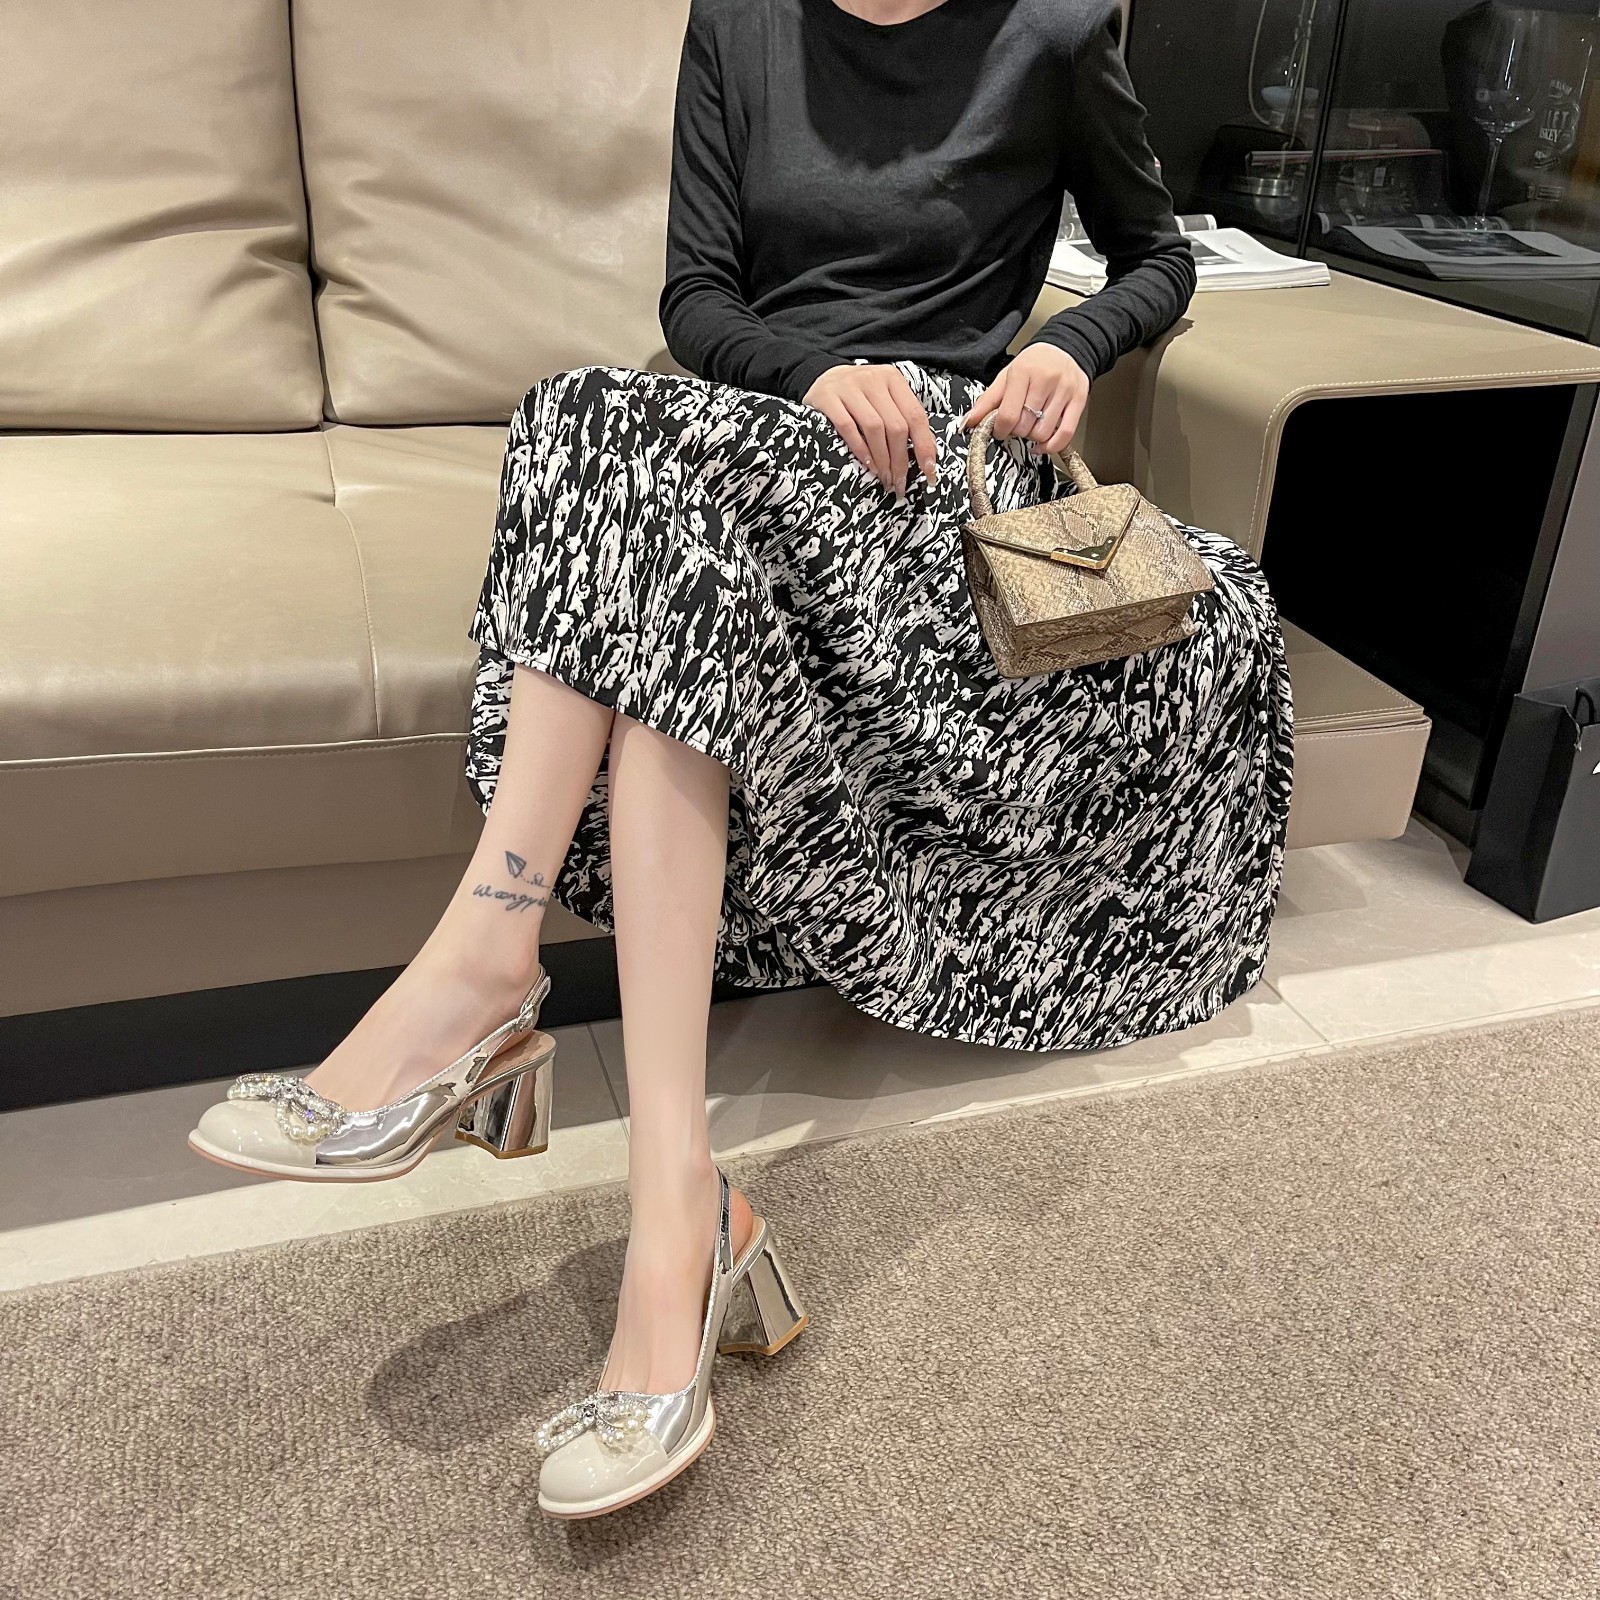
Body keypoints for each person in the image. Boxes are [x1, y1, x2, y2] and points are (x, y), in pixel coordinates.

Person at [188, 0, 1293, 1519]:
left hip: (937, 479)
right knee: (607, 437)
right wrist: (808, 374)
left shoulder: (1048, 26)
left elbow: (1157, 256)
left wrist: (1068, 342)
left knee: (599, 434)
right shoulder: (744, 20)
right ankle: (674, 1206)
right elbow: (697, 296)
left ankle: (490, 982)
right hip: (770, 439)